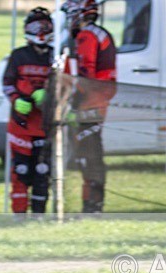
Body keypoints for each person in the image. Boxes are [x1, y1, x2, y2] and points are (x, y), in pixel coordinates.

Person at [62, 0, 117, 214]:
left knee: (89, 155)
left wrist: (72, 103)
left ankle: (92, 206)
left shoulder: (87, 36)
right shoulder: (100, 33)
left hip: (90, 104)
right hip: (97, 100)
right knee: (90, 153)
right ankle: (93, 205)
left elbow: (86, 73)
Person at [3, 7, 54, 220]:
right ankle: (19, 215)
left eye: (45, 27)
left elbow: (66, 86)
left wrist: (50, 96)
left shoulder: (55, 56)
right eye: (35, 27)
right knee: (22, 170)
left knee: (42, 171)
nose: (40, 32)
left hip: (45, 125)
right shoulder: (18, 56)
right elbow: (7, 84)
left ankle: (39, 216)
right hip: (21, 125)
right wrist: (17, 100)